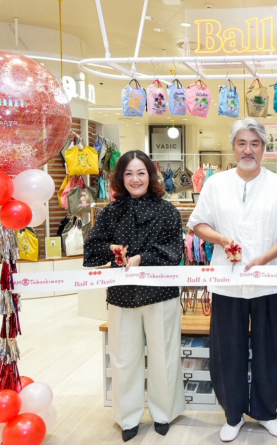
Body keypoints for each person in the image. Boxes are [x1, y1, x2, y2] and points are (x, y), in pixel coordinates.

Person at [187, 118, 277, 442]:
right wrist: (221, 239)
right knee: (228, 351)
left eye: (255, 144)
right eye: (242, 143)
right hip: (228, 281)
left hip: (268, 281)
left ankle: (266, 412)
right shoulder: (216, 184)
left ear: (264, 148)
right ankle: (232, 414)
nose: (248, 150)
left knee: (270, 350)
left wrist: (264, 258)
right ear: (233, 147)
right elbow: (198, 224)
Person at [83, 150, 185, 442]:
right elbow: (92, 250)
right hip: (121, 296)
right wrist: (113, 250)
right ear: (120, 178)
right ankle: (127, 417)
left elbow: (175, 250)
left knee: (164, 356)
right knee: (124, 358)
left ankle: (164, 413)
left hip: (161, 293)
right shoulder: (110, 212)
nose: (135, 179)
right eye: (128, 173)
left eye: (141, 173)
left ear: (151, 175)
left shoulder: (168, 211)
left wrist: (143, 258)